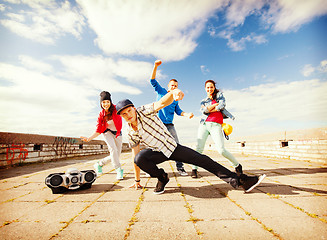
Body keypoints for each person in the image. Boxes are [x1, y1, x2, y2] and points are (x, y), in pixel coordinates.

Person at [115, 88, 266, 194]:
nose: (128, 115)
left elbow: (161, 103)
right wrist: (136, 180)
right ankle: (162, 177)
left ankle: (240, 181)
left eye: (129, 111)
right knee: (139, 158)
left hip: (172, 147)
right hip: (157, 153)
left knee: (202, 160)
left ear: (134, 109)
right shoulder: (130, 131)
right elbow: (135, 155)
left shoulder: (144, 110)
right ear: (121, 116)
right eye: (124, 114)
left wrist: (173, 92)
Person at [150, 60, 194, 176]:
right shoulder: (162, 91)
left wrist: (187, 114)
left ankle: (180, 168)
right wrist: (155, 66)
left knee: (176, 146)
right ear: (168, 87)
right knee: (154, 146)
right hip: (158, 124)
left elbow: (178, 111)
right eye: (172, 85)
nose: (174, 87)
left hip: (169, 125)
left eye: (176, 86)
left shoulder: (175, 100)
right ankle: (150, 168)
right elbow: (152, 80)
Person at [191, 80, 242, 179]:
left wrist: (210, 108)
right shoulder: (203, 101)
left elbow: (221, 106)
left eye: (211, 87)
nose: (209, 89)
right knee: (199, 148)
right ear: (205, 88)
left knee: (221, 150)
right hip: (204, 124)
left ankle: (237, 165)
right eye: (207, 87)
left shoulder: (219, 95)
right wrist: (214, 106)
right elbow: (204, 111)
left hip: (216, 125)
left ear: (214, 87)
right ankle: (194, 169)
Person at [80, 91, 124, 180]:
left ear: (110, 102)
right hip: (107, 133)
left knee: (116, 154)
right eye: (103, 102)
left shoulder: (116, 109)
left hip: (118, 133)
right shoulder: (101, 115)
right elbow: (98, 130)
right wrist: (89, 139)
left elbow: (126, 111)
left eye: (107, 101)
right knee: (113, 150)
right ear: (101, 103)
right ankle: (118, 170)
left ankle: (99, 164)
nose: (106, 104)